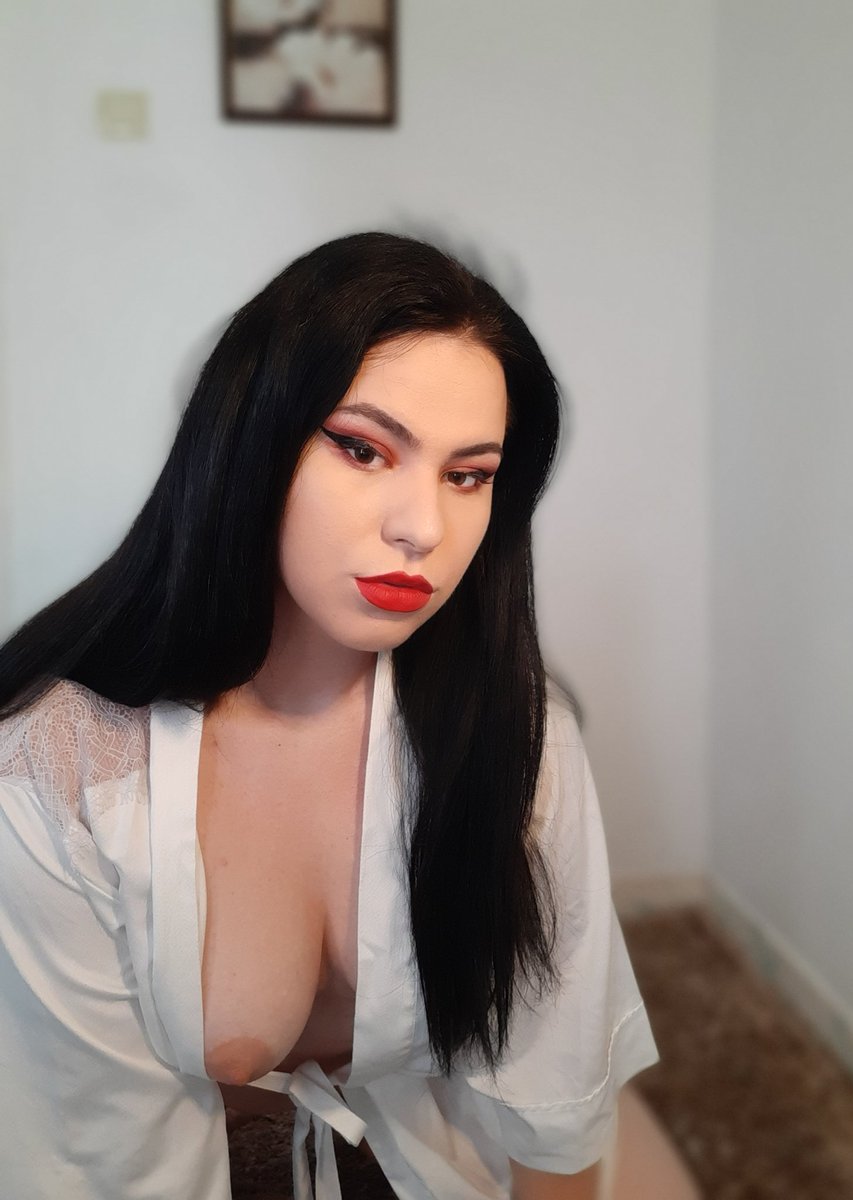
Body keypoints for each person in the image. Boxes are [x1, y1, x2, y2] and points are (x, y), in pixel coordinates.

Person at [0, 232, 658, 1199]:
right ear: (250, 440)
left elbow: (557, 1099)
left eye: (468, 475)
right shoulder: (58, 769)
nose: (421, 528)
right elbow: (96, 1161)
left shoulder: (517, 732)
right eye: (362, 448)